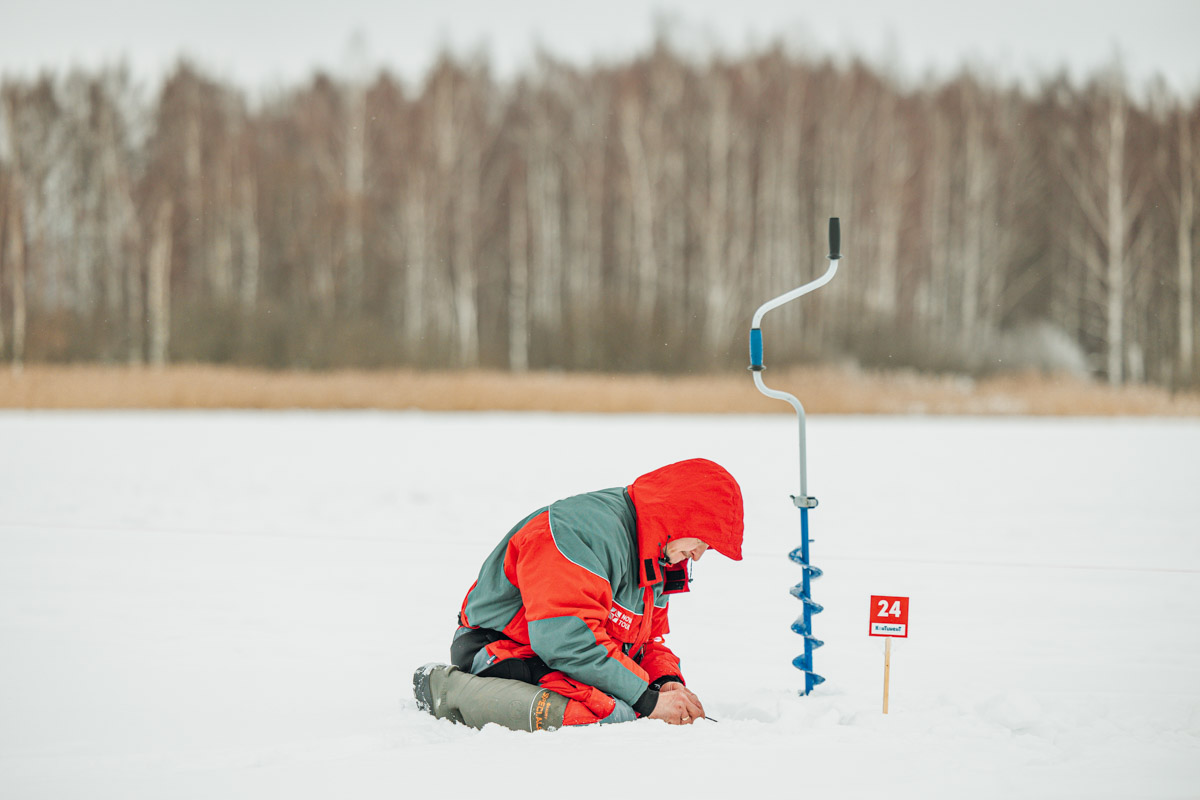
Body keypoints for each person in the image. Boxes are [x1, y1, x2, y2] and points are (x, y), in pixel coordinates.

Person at [412, 457, 744, 731]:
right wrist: (648, 700)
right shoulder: (581, 532)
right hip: (504, 651)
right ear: (679, 516)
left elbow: (646, 643)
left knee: (633, 711)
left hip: (563, 659)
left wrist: (664, 682)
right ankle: (446, 689)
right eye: (702, 541)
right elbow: (565, 640)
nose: (699, 555)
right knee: (607, 718)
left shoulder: (658, 554)